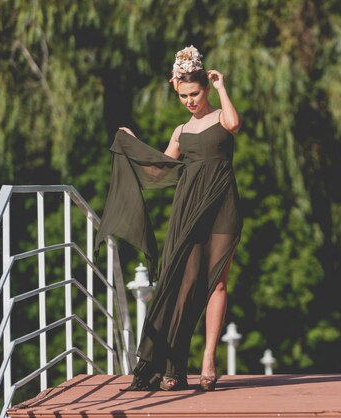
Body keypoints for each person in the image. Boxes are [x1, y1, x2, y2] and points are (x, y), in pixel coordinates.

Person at [95, 45, 242, 392]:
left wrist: (221, 86)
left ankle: (209, 360)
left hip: (223, 205)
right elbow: (160, 172)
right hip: (188, 210)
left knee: (218, 282)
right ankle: (173, 363)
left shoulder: (221, 116)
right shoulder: (180, 131)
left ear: (205, 87)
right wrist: (132, 144)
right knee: (184, 284)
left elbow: (235, 124)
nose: (189, 101)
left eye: (194, 93)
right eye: (183, 96)